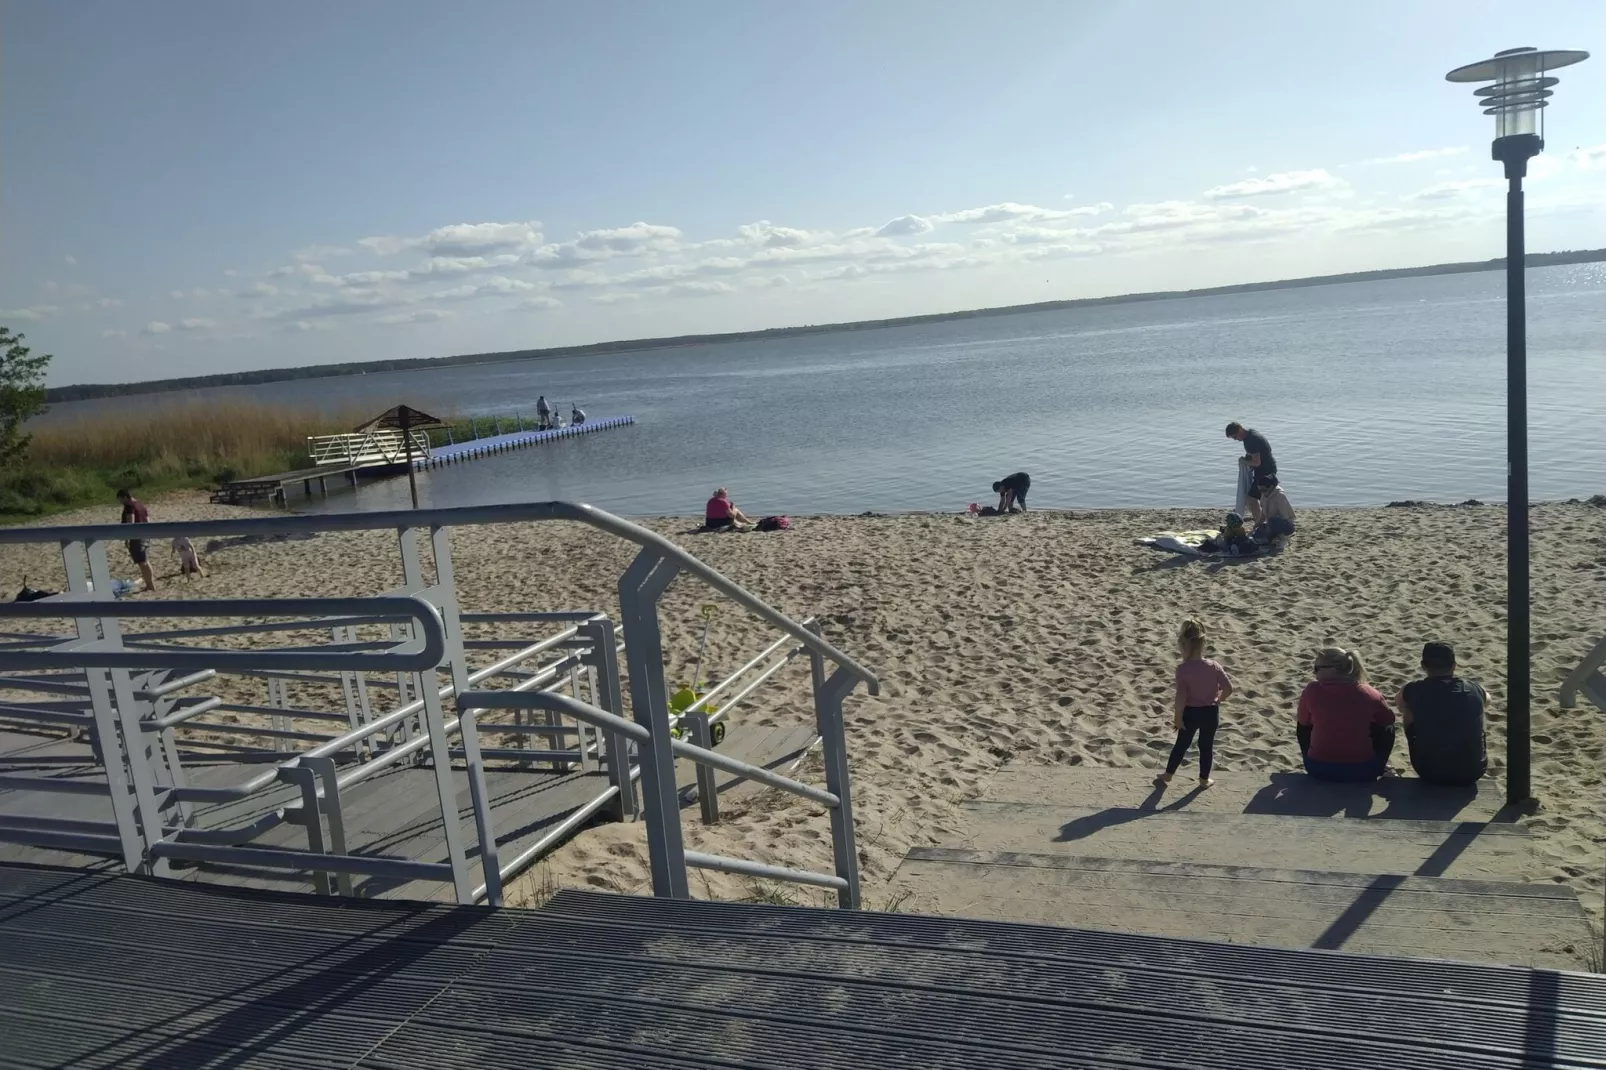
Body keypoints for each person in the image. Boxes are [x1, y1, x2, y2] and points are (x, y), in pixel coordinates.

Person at [1296, 647, 1395, 782]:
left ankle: (1311, 756)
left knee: (1304, 725)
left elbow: (1303, 722)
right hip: (1363, 770)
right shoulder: (1370, 693)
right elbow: (1388, 720)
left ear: (1334, 669)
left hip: (1318, 768)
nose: (1314, 672)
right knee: (1385, 727)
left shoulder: (1311, 690)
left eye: (1317, 668)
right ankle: (1381, 765)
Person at [1398, 642, 1487, 786]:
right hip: (1472, 772)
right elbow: (1487, 699)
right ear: (1454, 665)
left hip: (1429, 771)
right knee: (1477, 709)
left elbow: (1400, 703)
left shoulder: (1415, 689)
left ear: (1423, 666)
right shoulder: (1472, 688)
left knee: (1409, 708)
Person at [1163, 618, 1233, 788]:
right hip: (1210, 712)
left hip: (1191, 713)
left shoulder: (1183, 669)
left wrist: (1177, 717)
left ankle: (1168, 773)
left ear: (1184, 645)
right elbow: (1228, 688)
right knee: (1206, 746)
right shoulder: (1214, 666)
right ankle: (1204, 779)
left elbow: (1181, 697)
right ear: (1203, 643)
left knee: (1182, 744)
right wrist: (1218, 700)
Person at [1226, 422, 1277, 524]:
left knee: (1252, 498)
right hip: (1267, 469)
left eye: (1235, 437)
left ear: (1240, 430)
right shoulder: (1250, 435)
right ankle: (1261, 521)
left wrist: (1242, 461)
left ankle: (1259, 523)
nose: (1235, 440)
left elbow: (1257, 462)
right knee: (1261, 498)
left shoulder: (1252, 441)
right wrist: (1247, 458)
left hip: (1265, 472)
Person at [116, 488, 156, 592]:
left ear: (125, 497)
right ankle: (149, 584)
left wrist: (127, 539)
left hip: (137, 537)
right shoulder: (141, 504)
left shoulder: (129, 506)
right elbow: (148, 520)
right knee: (145, 562)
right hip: (145, 535)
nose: (120, 502)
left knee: (142, 563)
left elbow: (131, 522)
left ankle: (150, 586)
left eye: (120, 499)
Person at [1252, 476, 1296, 544]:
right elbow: (1263, 513)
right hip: (1270, 523)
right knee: (1257, 535)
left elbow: (1284, 517)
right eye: (1259, 489)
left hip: (1284, 524)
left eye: (1263, 489)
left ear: (1271, 487)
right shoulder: (1264, 494)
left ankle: (1283, 539)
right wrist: (1258, 524)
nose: (1262, 492)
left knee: (1273, 522)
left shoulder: (1280, 496)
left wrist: (1269, 526)